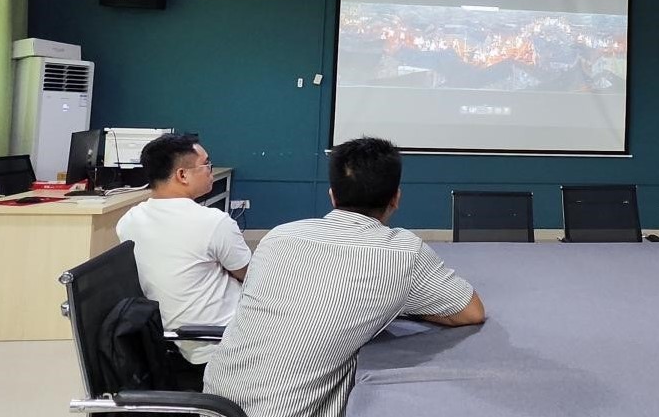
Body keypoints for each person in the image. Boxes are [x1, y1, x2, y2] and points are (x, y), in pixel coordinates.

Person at [204, 137, 484, 417]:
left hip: (212, 405)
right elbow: (471, 311)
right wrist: (404, 303)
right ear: (396, 198)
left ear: (332, 195)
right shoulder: (404, 252)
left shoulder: (278, 236)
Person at [116, 133, 252, 388]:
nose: (211, 170)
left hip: (166, 339)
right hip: (221, 342)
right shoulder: (213, 222)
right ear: (182, 175)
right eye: (206, 164)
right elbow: (249, 276)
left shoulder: (128, 221)